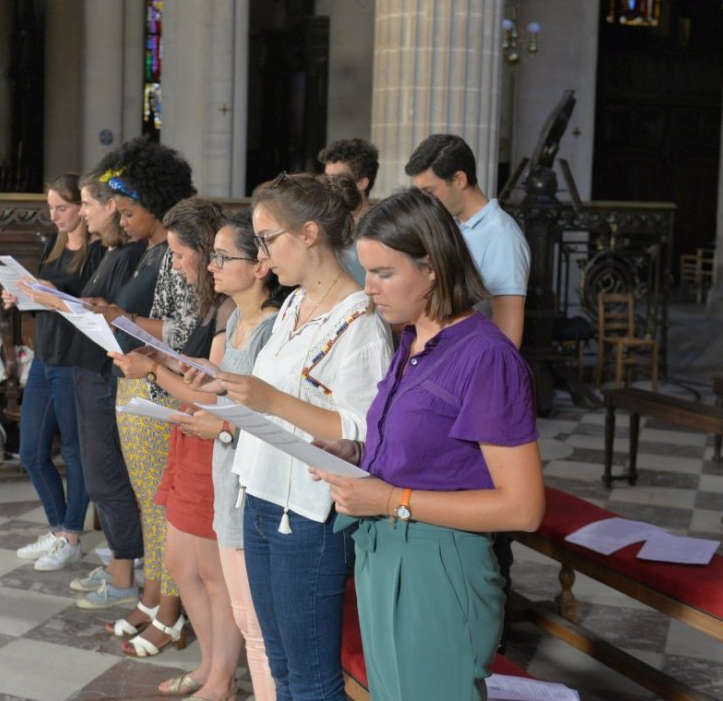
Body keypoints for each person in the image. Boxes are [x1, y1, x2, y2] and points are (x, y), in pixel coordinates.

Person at [312, 189, 544, 701]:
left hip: (440, 562)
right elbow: (427, 447)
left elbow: (523, 508)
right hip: (386, 547)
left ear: (433, 267)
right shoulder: (413, 337)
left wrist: (392, 500)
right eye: (366, 271)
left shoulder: (486, 357)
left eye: (384, 273)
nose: (368, 288)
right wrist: (357, 455)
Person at [218, 172, 393, 700]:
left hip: (310, 512)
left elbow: (364, 432)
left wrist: (269, 400)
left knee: (314, 679)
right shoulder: (293, 305)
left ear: (310, 233)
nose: (264, 258)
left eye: (269, 240)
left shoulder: (360, 321)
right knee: (281, 666)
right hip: (261, 493)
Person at [110, 199, 242, 700]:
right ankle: (209, 666)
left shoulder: (234, 310)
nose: (182, 265)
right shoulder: (212, 304)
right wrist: (169, 359)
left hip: (213, 440)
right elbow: (205, 368)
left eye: (184, 255)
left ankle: (221, 679)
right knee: (183, 563)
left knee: (212, 572)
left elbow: (216, 391)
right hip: (189, 435)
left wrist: (157, 370)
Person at [85, 138, 197, 647]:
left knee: (162, 504)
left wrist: (122, 317)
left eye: (129, 211)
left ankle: (170, 609)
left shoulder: (175, 252)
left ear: (154, 201)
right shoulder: (147, 250)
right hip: (134, 377)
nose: (122, 220)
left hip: (161, 384)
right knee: (146, 501)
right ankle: (152, 596)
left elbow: (185, 332)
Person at [21, 155, 147, 608]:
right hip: (76, 362)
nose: (86, 214)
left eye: (89, 204)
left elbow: (118, 314)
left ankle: (122, 570)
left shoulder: (126, 252)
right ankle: (116, 562)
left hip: (100, 368)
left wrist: (69, 303)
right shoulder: (110, 252)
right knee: (90, 470)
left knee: (105, 474)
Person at [185, 211, 281, 701]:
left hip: (255, 486)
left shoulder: (271, 330)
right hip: (229, 478)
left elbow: (277, 420)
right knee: (245, 619)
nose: (212, 266)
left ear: (260, 265)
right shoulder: (236, 320)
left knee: (260, 627)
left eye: (223, 257)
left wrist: (222, 424)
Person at [3, 174, 104, 571]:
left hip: (76, 358)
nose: (55, 215)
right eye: (51, 209)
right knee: (31, 450)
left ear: (81, 207)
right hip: (45, 355)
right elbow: (42, 296)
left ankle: (72, 534)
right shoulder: (52, 245)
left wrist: (50, 292)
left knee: (75, 451)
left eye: (61, 208)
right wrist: (19, 293)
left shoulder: (98, 253)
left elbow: (92, 305)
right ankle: (59, 528)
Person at [404, 133, 530, 347]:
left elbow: (508, 335)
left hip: (469, 364)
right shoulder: (455, 225)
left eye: (429, 191)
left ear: (459, 179)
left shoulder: (502, 235)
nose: (425, 202)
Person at [318, 138, 379, 286]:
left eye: (338, 179)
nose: (329, 186)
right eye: (327, 178)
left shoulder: (380, 230)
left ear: (362, 183)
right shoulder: (321, 225)